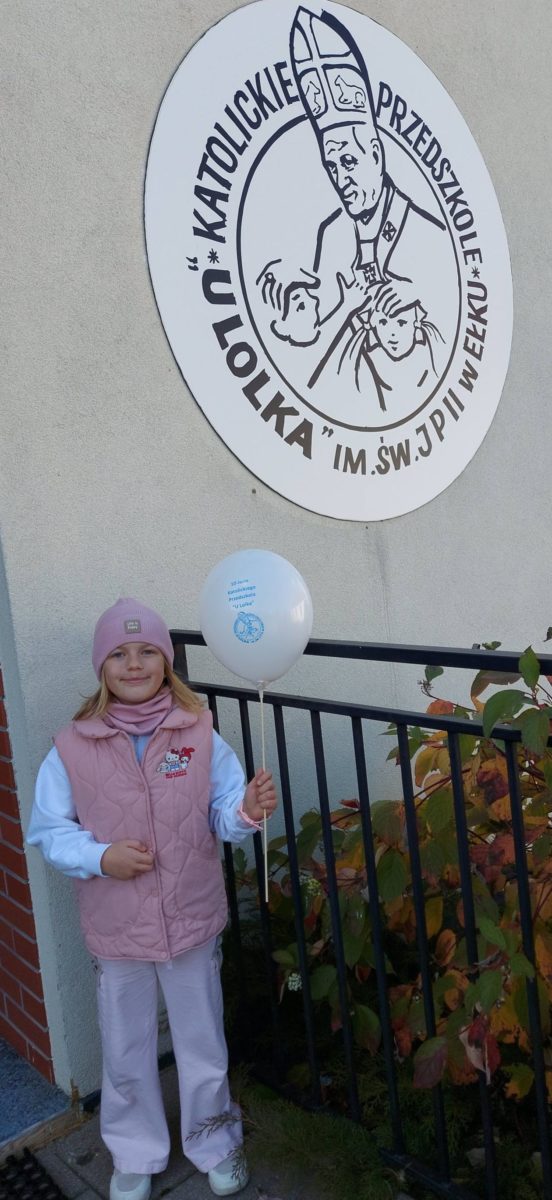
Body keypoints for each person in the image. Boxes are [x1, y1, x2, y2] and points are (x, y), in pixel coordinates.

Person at [27, 598, 277, 1200]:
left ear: (166, 662)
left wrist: (245, 810)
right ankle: (134, 1152)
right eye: (119, 653)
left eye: (147, 652)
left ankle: (215, 1142)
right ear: (101, 666)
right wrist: (100, 857)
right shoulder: (71, 747)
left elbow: (222, 812)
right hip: (118, 929)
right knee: (126, 1049)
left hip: (190, 920)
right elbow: (49, 830)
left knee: (202, 1042)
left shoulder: (198, 732)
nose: (134, 664)